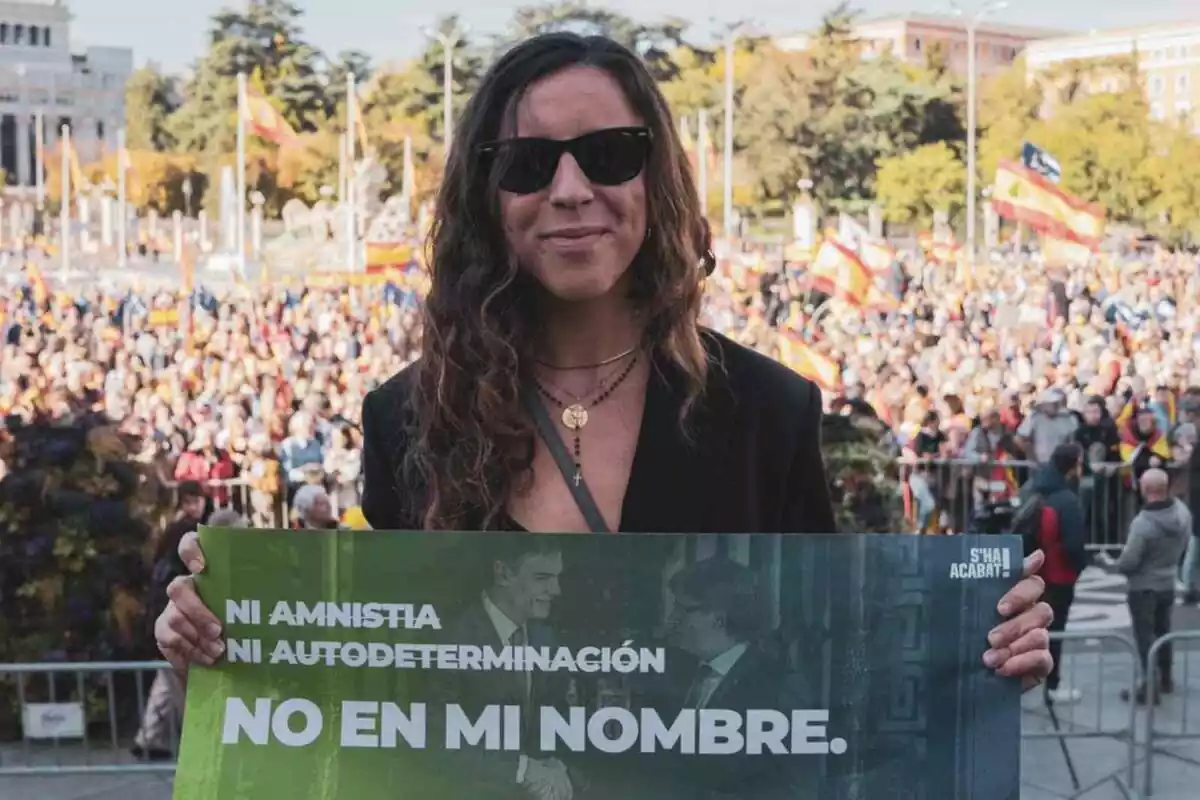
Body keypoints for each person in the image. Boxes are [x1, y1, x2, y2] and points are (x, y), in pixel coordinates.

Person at [153, 29, 1051, 745]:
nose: (573, 189)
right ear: (487, 195)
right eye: (530, 163)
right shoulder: (406, 417)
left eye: (610, 153)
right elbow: (395, 681)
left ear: (655, 177)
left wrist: (985, 648)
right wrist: (218, 656)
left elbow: (828, 650)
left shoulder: (771, 408)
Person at [1098, 469, 1192, 704]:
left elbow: (1129, 562)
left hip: (1143, 587)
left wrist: (1111, 565)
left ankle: (1148, 687)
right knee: (1163, 632)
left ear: (1144, 490)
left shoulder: (1143, 524)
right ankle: (1166, 678)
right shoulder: (1181, 513)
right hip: (1167, 582)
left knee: (1145, 638)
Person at [1019, 443, 1088, 705]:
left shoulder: (1034, 489)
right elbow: (1073, 545)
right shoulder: (1067, 501)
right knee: (1055, 629)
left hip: (1034, 570)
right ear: (1072, 467)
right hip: (1059, 576)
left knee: (1030, 626)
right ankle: (1053, 684)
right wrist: (1079, 566)